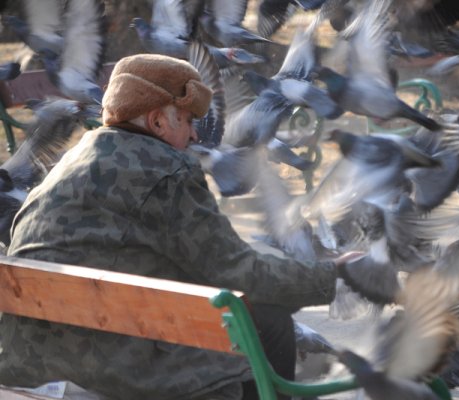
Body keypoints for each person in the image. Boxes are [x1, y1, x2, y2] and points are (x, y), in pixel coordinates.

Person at [0, 54, 371, 399]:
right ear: (158, 121)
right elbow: (238, 270)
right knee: (268, 318)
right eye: (189, 119)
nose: (195, 135)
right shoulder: (166, 171)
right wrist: (331, 275)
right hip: (118, 367)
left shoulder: (70, 163)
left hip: (37, 360)